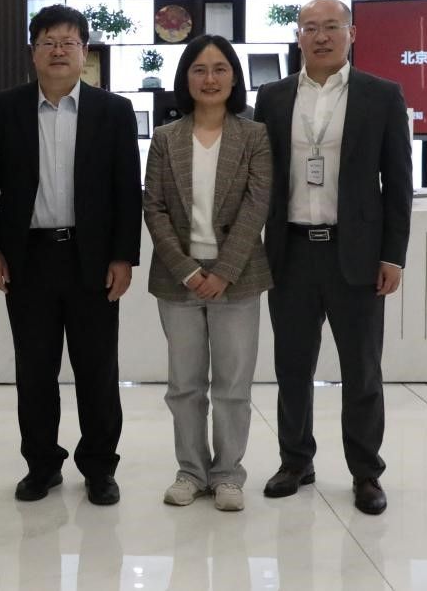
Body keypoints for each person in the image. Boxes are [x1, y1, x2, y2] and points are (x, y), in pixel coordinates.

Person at [0, 4, 141, 506]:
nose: (59, 51)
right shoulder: (5, 108)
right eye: (48, 42)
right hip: (29, 259)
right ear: (33, 52)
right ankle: (42, 465)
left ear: (85, 51)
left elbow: (125, 191)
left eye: (69, 42)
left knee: (97, 371)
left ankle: (99, 468)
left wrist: (123, 257)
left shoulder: (113, 111)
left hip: (92, 259)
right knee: (35, 371)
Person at [252, 0, 412, 515]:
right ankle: (296, 461)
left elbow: (398, 183)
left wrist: (393, 255)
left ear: (352, 33)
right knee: (292, 366)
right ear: (298, 36)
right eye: (310, 28)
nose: (321, 36)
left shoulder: (381, 95)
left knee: (362, 370)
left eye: (331, 27)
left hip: (357, 255)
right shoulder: (273, 97)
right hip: (291, 252)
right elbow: (262, 177)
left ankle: (366, 472)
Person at [142, 35, 272, 512]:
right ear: (186, 79)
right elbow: (153, 208)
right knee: (184, 386)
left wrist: (224, 272)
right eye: (199, 69)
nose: (210, 78)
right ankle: (192, 472)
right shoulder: (165, 137)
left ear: (234, 77)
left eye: (220, 69)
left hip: (238, 280)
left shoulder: (254, 136)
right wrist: (188, 270)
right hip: (178, 281)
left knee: (233, 387)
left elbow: (256, 207)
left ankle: (228, 475)